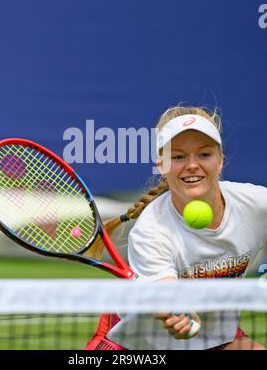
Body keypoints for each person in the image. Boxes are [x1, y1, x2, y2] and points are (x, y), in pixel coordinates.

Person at [85, 105, 267, 350]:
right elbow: (167, 298)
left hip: (217, 334)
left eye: (204, 154)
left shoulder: (256, 204)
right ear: (161, 165)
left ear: (220, 160)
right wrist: (175, 311)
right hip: (135, 345)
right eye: (179, 157)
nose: (192, 165)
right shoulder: (151, 230)